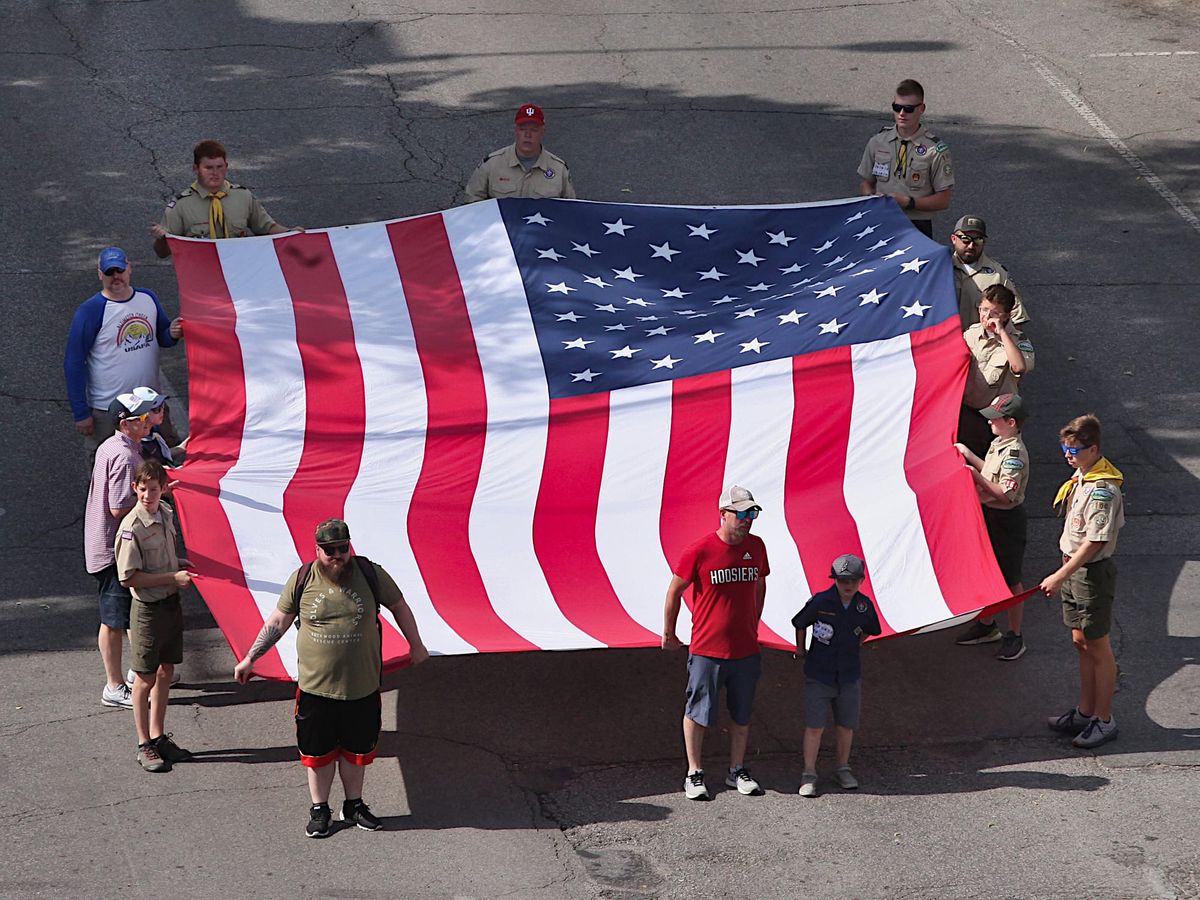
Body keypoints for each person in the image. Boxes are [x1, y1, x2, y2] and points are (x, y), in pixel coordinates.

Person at [233, 518, 429, 837]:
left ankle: (353, 805)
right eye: (330, 551)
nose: (337, 556)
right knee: (319, 754)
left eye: (342, 549)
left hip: (361, 686)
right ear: (317, 550)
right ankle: (320, 809)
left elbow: (400, 606)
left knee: (357, 750)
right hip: (316, 688)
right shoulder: (303, 579)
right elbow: (279, 620)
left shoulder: (370, 574)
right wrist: (250, 658)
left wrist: (416, 644)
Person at [663, 485, 770, 801]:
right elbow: (674, 591)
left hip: (745, 649)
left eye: (752, 513)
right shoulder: (699, 550)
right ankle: (694, 773)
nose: (747, 520)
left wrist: (755, 620)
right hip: (707, 649)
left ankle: (736, 769)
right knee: (698, 711)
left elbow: (760, 583)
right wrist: (668, 634)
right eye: (741, 513)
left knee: (742, 712)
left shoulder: (757, 547)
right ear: (724, 514)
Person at [1040, 415, 1125, 749]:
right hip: (1074, 570)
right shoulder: (1083, 476)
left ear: (1095, 449)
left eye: (1075, 449)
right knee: (1081, 641)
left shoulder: (1103, 489)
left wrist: (1061, 575)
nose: (1068, 455)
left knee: (1098, 645)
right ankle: (1085, 710)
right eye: (1065, 448)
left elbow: (1095, 542)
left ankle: (1104, 720)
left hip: (1089, 574)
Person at [64, 247, 182, 455]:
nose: (115, 277)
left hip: (150, 404)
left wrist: (172, 333)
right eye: (109, 272)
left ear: (129, 269)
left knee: (162, 466)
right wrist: (81, 412)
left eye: (119, 270)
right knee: (109, 471)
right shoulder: (90, 311)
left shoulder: (148, 298)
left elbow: (162, 336)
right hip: (108, 411)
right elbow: (74, 363)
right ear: (100, 274)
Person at [115, 460, 193, 772]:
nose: (149, 495)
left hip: (170, 603)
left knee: (166, 671)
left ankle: (159, 736)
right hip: (147, 609)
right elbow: (128, 577)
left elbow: (166, 556)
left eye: (155, 489)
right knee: (145, 677)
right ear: (135, 488)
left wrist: (180, 564)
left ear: (163, 489)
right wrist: (172, 577)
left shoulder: (165, 514)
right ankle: (144, 743)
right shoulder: (131, 528)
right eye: (143, 489)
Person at [790, 554, 881, 798]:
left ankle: (843, 768)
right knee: (814, 726)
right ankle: (809, 774)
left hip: (849, 675)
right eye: (842, 580)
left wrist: (855, 644)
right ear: (835, 580)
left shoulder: (864, 606)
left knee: (846, 725)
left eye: (852, 580)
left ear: (861, 581)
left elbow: (872, 629)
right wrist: (800, 650)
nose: (847, 585)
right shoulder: (821, 601)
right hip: (819, 674)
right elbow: (800, 622)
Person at [84, 393, 154, 708]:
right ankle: (114, 686)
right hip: (115, 551)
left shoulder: (113, 446)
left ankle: (133, 673)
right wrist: (156, 499)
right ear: (125, 424)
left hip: (109, 545)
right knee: (114, 619)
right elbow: (118, 508)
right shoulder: (125, 457)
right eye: (142, 418)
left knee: (127, 615)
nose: (148, 420)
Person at [954, 393, 1032, 660]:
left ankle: (1015, 634)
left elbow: (1004, 493)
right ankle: (987, 626)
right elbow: (991, 471)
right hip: (988, 514)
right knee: (986, 570)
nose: (989, 424)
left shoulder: (1014, 454)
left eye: (995, 420)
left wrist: (974, 476)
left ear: (1011, 422)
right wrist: (969, 455)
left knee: (1011, 580)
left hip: (1006, 521)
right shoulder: (999, 442)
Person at [151, 139, 297, 258]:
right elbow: (162, 253)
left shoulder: (242, 196)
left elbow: (266, 227)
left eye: (220, 167)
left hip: (239, 273)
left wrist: (290, 233)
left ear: (226, 166)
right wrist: (161, 239)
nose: (215, 173)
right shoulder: (181, 205)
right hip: (201, 275)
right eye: (208, 168)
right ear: (195, 169)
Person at [858, 79, 954, 237]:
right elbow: (866, 182)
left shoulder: (934, 150)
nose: (901, 114)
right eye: (897, 108)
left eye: (908, 109)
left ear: (921, 109)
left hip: (915, 226)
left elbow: (943, 200)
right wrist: (871, 197)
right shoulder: (878, 142)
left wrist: (908, 202)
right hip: (881, 220)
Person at [958, 284, 1034, 458]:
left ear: (1006, 316)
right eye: (983, 310)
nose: (986, 317)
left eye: (994, 313)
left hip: (994, 416)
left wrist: (1001, 332)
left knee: (989, 465)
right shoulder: (972, 333)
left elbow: (1019, 367)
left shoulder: (1018, 341)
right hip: (967, 409)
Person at [464, 104, 577, 202]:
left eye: (534, 130)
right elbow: (472, 201)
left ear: (542, 132)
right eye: (522, 129)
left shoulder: (559, 169)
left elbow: (570, 210)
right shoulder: (492, 164)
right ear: (516, 130)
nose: (527, 135)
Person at [950, 215, 1030, 330]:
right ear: (953, 239)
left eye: (978, 240)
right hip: (946, 344)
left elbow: (1016, 319)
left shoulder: (998, 275)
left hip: (983, 344)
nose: (971, 245)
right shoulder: (939, 269)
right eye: (965, 239)